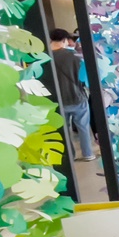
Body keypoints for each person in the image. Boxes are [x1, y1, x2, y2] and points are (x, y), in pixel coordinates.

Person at [50, 28, 96, 162]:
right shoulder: (74, 56)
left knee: (63, 130)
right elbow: (84, 78)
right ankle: (88, 154)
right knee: (83, 127)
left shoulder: (46, 57)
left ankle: (70, 156)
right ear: (64, 40)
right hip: (77, 97)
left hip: (58, 100)